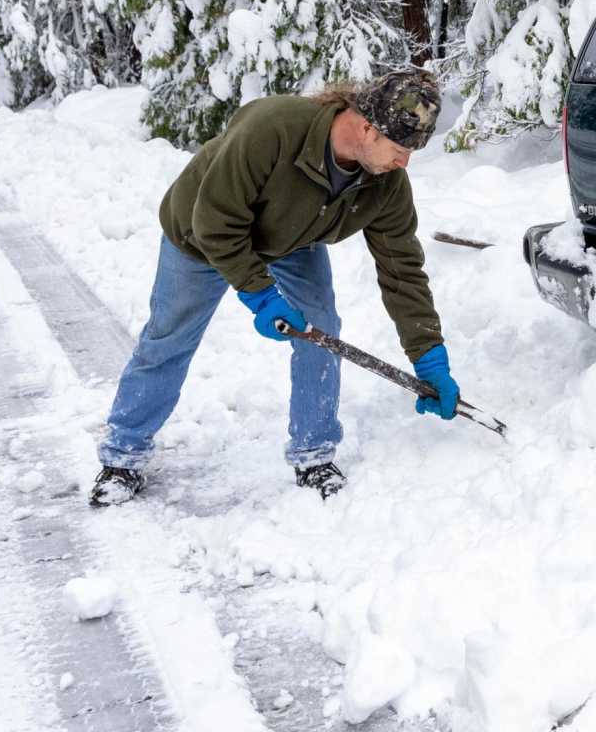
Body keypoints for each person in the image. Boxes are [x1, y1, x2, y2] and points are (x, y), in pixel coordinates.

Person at [90, 68, 460, 506]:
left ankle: (314, 452)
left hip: (291, 239)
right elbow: (215, 222)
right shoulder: (273, 130)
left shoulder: (386, 184)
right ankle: (122, 455)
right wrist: (260, 294)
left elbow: (401, 268)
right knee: (168, 338)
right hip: (203, 234)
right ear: (366, 127)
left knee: (320, 328)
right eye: (400, 149)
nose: (405, 163)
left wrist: (428, 354)